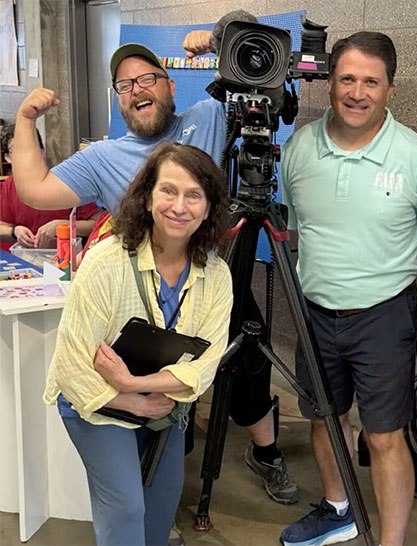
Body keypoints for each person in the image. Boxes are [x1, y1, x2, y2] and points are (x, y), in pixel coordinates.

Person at [29, 18, 297, 508]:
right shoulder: (105, 155)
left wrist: (219, 37)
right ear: (119, 99)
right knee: (165, 383)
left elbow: (253, 47)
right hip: (144, 289)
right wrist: (26, 122)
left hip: (211, 276)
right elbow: (34, 189)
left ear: (170, 86)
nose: (138, 89)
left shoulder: (206, 115)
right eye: (126, 84)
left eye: (148, 78)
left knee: (251, 358)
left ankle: (267, 451)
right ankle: (166, 492)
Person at [272, 32, 417, 546]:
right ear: (330, 83)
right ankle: (338, 509)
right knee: (324, 418)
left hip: (383, 317)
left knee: (385, 435)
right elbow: (303, 227)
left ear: (390, 88)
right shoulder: (299, 149)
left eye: (371, 81)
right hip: (315, 313)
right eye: (347, 78)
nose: (357, 92)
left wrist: (380, 275)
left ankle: (390, 540)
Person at [44, 143, 233, 546]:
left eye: (193, 195)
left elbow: (205, 366)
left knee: (162, 503)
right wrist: (129, 399)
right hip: (94, 402)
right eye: (168, 191)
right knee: (126, 507)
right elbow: (70, 367)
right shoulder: (106, 261)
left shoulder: (215, 275)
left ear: (208, 206)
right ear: (147, 197)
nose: (179, 206)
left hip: (159, 402)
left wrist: (132, 385)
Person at [0, 122, 102, 252]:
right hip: (27, 258)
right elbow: (3, 226)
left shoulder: (67, 181)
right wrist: (15, 231)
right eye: (16, 149)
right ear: (7, 158)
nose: (25, 154)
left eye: (30, 147)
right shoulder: (8, 187)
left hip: (67, 259)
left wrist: (61, 226)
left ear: (41, 151)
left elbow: (99, 224)